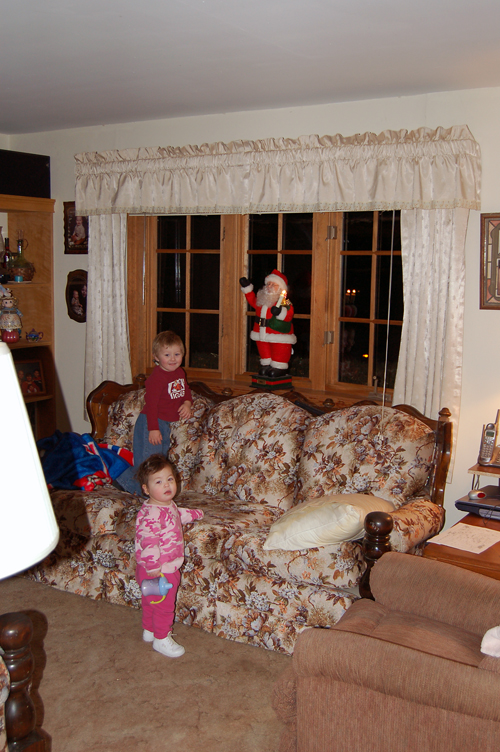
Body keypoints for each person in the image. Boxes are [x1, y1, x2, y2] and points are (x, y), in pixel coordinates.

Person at [135, 454, 203, 658]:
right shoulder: (151, 514)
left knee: (150, 601)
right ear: (146, 489)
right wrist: (154, 568)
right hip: (160, 569)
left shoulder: (167, 505)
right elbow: (148, 541)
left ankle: (149, 630)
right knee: (164, 605)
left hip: (152, 569)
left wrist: (195, 514)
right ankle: (161, 639)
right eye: (158, 481)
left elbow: (177, 515)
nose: (167, 485)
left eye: (170, 479)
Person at [116, 330, 192, 496]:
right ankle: (122, 478)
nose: (173, 359)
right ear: (156, 357)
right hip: (151, 423)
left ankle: (148, 494)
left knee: (159, 463)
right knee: (149, 466)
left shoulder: (179, 373)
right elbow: (151, 405)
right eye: (167, 354)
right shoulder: (157, 378)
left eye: (177, 354)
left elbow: (186, 392)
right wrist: (153, 428)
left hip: (165, 424)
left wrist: (187, 403)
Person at [239, 269, 296, 377]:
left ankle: (279, 367)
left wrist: (280, 312)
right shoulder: (261, 300)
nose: (269, 286)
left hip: (278, 334)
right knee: (264, 350)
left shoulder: (285, 302)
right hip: (260, 332)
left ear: (280, 288)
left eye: (273, 284)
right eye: (268, 283)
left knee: (279, 351)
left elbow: (289, 313)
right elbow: (252, 300)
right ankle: (266, 365)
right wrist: (247, 288)